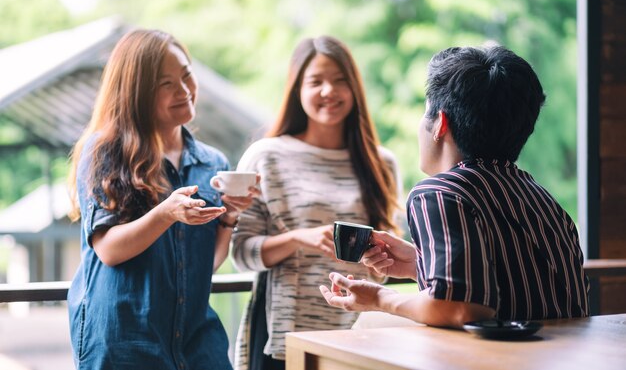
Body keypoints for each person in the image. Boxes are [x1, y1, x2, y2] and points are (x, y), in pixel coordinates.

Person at [321, 45, 590, 327]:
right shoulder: (542, 199)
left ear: (440, 123)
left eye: (426, 112)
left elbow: (460, 308)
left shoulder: (437, 193)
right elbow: (520, 290)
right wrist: (419, 263)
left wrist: (379, 299)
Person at [66, 29, 258, 369]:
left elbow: (203, 266)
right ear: (137, 92)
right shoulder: (105, 151)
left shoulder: (211, 163)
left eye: (186, 75)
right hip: (125, 341)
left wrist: (229, 217)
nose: (184, 91)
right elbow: (109, 250)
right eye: (165, 84)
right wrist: (165, 213)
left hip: (196, 339)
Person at [231, 36, 403, 370]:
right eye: (316, 81)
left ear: (354, 89)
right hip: (285, 335)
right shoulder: (266, 156)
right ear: (297, 89)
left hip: (360, 335)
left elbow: (386, 261)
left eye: (340, 81)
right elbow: (241, 254)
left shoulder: (382, 163)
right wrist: (299, 238)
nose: (329, 91)